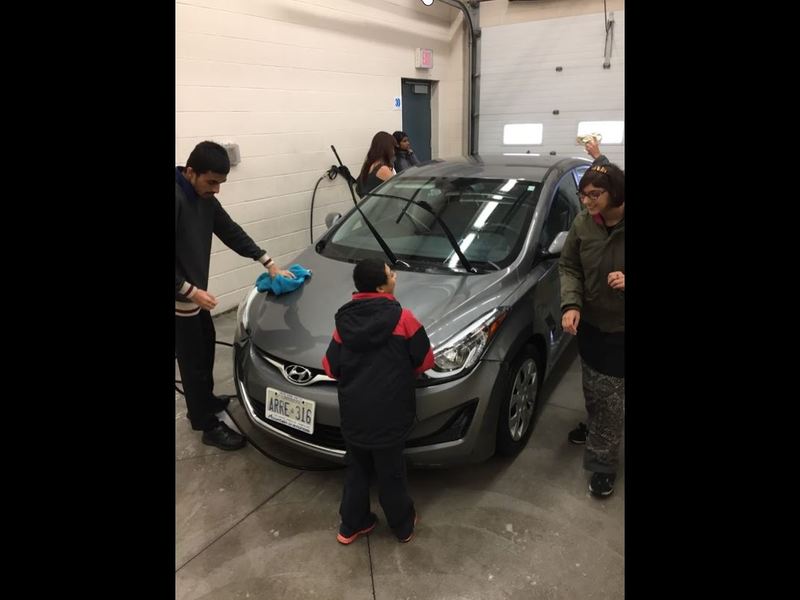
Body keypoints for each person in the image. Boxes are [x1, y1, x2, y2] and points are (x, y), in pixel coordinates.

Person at [175, 141, 294, 450]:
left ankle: (204, 401)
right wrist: (189, 291)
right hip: (180, 299)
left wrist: (267, 262)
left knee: (205, 347)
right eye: (211, 182)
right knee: (192, 362)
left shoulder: (204, 199)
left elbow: (230, 231)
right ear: (191, 172)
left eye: (221, 183)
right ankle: (205, 424)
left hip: (195, 295)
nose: (216, 190)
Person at [322, 258, 434, 544]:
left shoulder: (343, 324)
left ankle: (351, 525)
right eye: (390, 274)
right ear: (381, 287)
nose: (395, 276)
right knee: (391, 472)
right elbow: (425, 361)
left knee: (357, 469)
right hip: (391, 414)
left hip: (354, 414)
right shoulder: (404, 319)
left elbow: (330, 367)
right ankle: (402, 525)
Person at [559, 161, 625, 498]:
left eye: (594, 195)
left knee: (610, 398)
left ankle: (603, 465)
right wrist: (571, 304)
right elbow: (569, 265)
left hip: (620, 329)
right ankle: (597, 428)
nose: (587, 202)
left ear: (615, 192)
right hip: (591, 325)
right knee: (593, 388)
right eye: (583, 195)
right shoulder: (584, 223)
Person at [357, 131, 396, 196]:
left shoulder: (369, 165)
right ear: (387, 149)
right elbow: (397, 189)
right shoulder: (383, 169)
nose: (393, 151)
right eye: (392, 148)